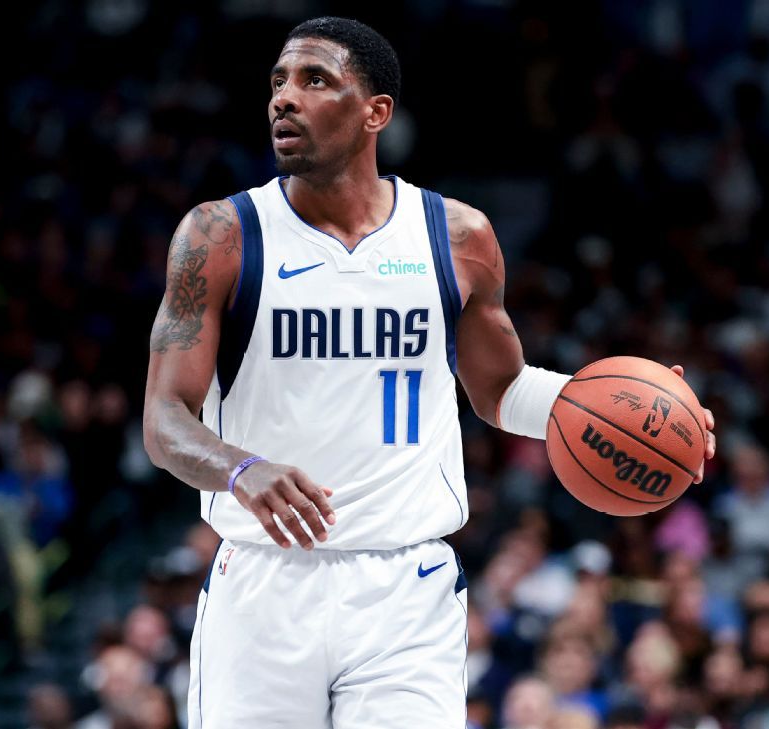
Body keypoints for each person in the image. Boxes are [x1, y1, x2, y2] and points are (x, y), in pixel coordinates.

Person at [140, 16, 717, 728]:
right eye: (278, 81)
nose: (284, 98)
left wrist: (644, 410)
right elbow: (164, 420)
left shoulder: (457, 236)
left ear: (376, 112)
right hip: (263, 582)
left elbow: (499, 388)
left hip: (405, 589)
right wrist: (238, 468)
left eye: (315, 80)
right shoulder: (219, 235)